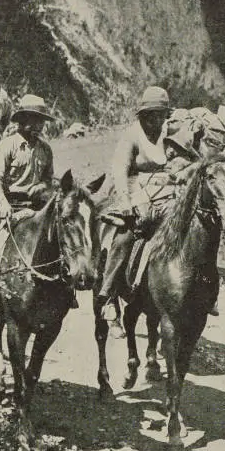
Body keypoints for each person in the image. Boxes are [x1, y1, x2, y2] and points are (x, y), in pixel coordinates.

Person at [96, 86, 171, 320]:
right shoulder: (132, 135)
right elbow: (119, 169)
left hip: (167, 190)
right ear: (143, 115)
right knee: (126, 234)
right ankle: (108, 292)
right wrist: (126, 203)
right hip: (136, 188)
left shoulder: (170, 132)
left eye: (161, 114)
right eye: (152, 115)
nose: (157, 120)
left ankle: (201, 293)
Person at [0, 94, 55, 263]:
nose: (39, 126)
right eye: (34, 120)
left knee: (58, 228)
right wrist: (2, 203)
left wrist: (41, 187)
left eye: (41, 121)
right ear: (22, 121)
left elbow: (48, 179)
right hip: (8, 201)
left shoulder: (46, 150)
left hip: (34, 202)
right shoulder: (8, 145)